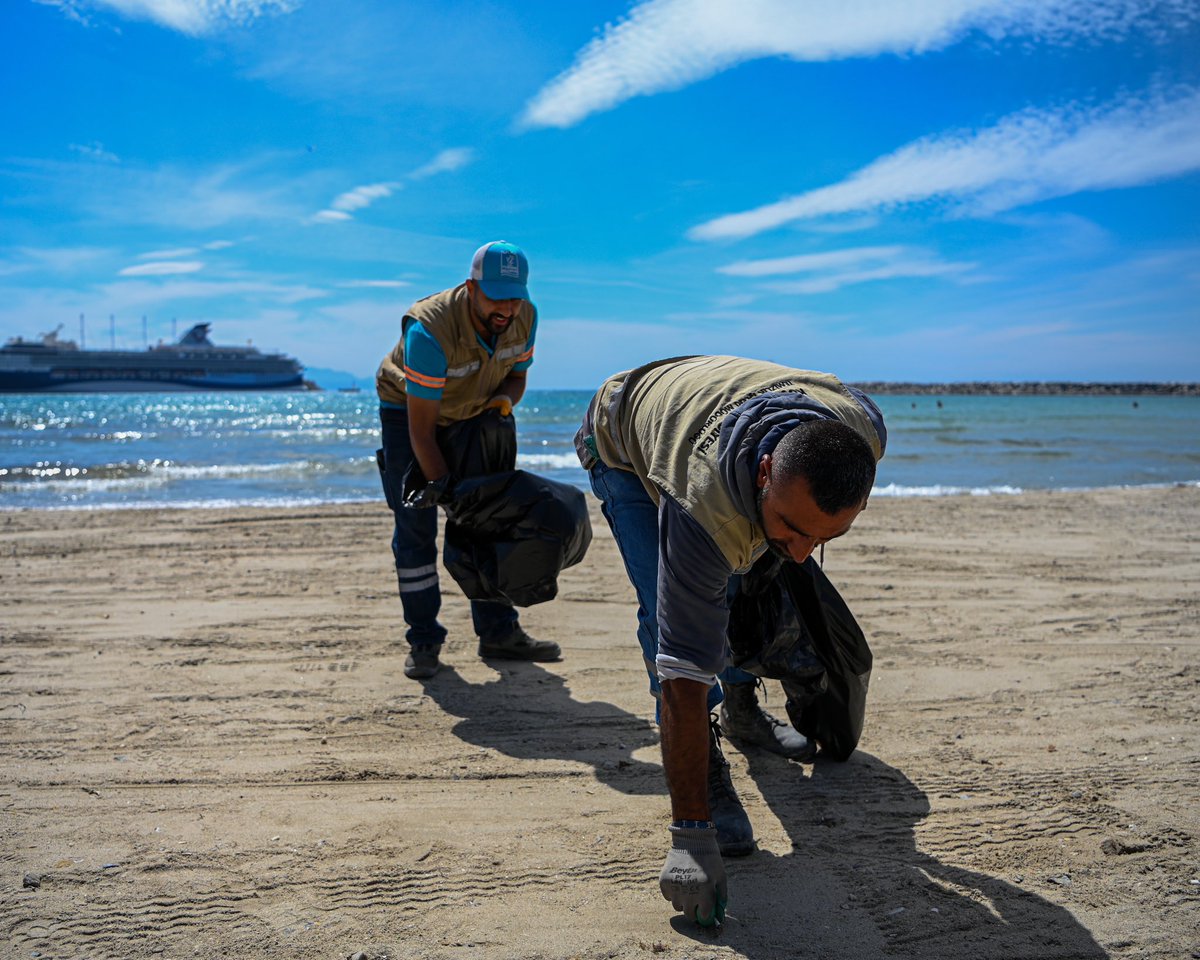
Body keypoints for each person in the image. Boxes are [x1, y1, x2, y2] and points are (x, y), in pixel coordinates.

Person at [574, 355, 886, 925]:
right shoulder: (702, 507)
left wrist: (789, 532)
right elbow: (683, 674)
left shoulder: (861, 431)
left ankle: (744, 711)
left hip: (708, 404)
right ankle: (710, 760)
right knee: (666, 611)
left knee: (751, 575)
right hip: (620, 438)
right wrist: (691, 836)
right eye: (793, 528)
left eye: (825, 537)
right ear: (765, 471)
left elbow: (790, 532)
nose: (800, 553)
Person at [375, 241, 560, 680]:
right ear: (470, 287)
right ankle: (423, 640)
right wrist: (444, 488)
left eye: (514, 296)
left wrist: (502, 403)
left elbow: (516, 377)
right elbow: (423, 432)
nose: (506, 308)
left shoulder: (525, 316)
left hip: (475, 409)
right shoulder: (429, 331)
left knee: (488, 520)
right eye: (495, 296)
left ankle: (499, 631)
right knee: (415, 525)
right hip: (409, 414)